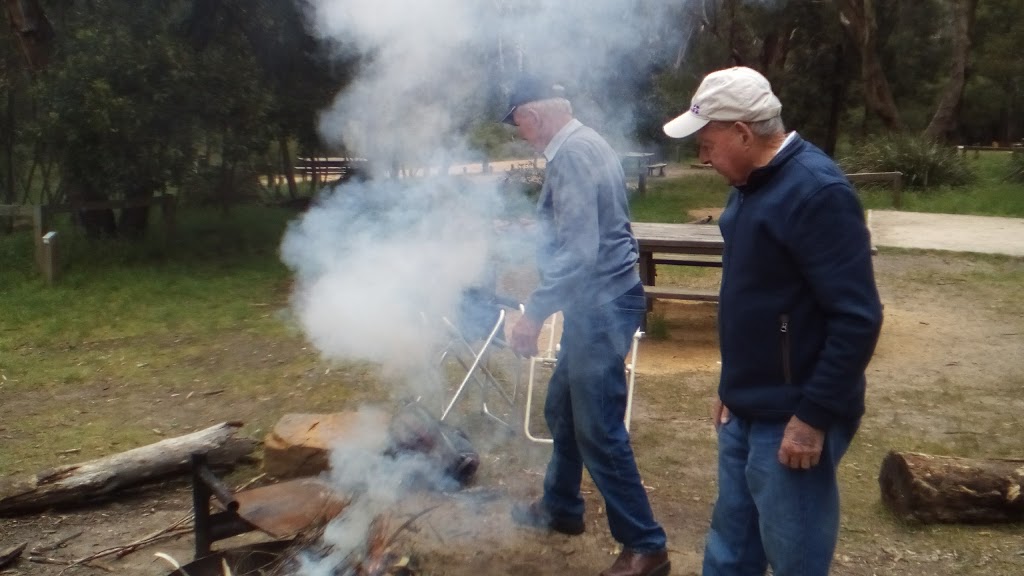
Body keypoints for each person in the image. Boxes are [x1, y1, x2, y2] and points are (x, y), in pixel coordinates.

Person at [662, 66, 884, 576]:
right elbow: (756, 298)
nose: (702, 155)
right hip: (747, 405)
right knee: (730, 548)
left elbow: (857, 317)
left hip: (793, 415)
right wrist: (733, 380)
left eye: (708, 141)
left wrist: (812, 417)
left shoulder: (816, 192)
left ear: (743, 132)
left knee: (794, 559)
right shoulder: (750, 184)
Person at [502, 75, 670, 576]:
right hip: (596, 301)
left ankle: (646, 545)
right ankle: (561, 507)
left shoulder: (571, 153)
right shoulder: (587, 140)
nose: (519, 134)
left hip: (601, 304)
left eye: (517, 124)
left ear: (531, 116)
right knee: (562, 407)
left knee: (597, 425)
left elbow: (579, 251)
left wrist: (533, 314)